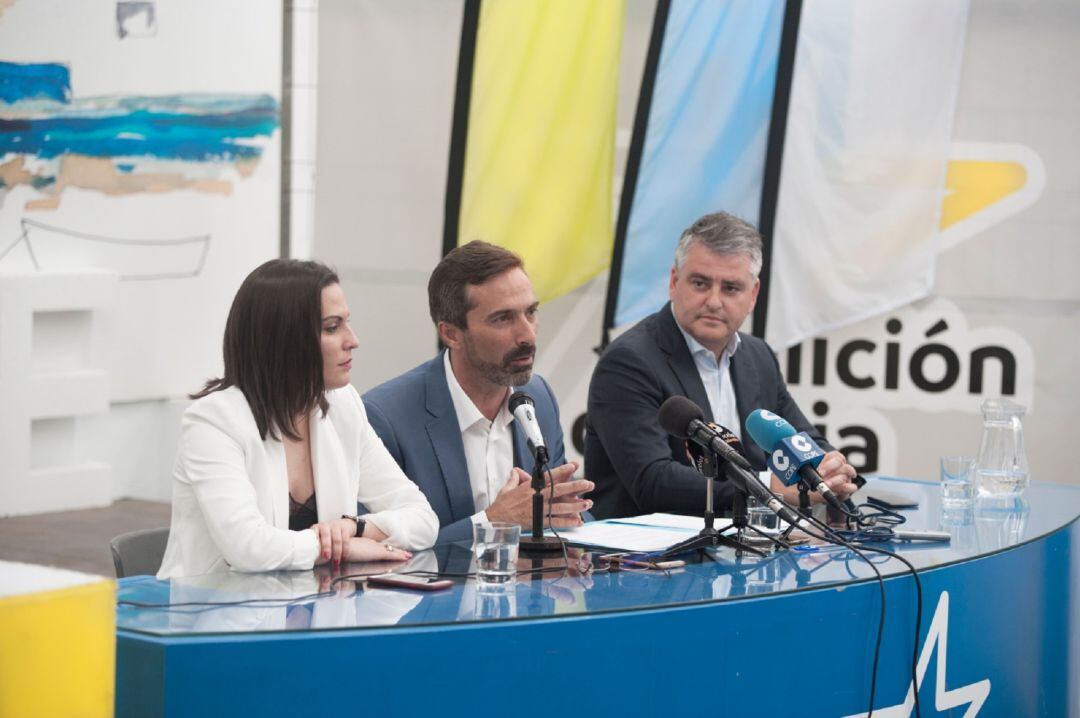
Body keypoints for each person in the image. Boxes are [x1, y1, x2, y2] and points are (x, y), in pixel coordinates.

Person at [157, 259, 439, 579]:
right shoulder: (214, 421)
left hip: (314, 613)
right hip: (213, 617)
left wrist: (356, 527)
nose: (352, 340)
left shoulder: (343, 405)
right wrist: (336, 549)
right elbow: (247, 547)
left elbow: (424, 520)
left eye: (347, 323)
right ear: (285, 339)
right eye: (332, 327)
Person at [585, 212, 857, 519]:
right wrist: (768, 487)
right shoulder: (629, 362)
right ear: (674, 282)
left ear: (753, 295)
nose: (714, 301)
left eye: (730, 288)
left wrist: (828, 469)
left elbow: (802, 440)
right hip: (647, 559)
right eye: (700, 283)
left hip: (744, 546)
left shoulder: (758, 356)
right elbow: (653, 481)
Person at [363, 241, 593, 544]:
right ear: (451, 334)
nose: (527, 334)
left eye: (531, 312)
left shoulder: (538, 396)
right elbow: (371, 548)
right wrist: (492, 522)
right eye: (503, 319)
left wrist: (573, 513)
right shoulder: (386, 417)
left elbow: (562, 510)